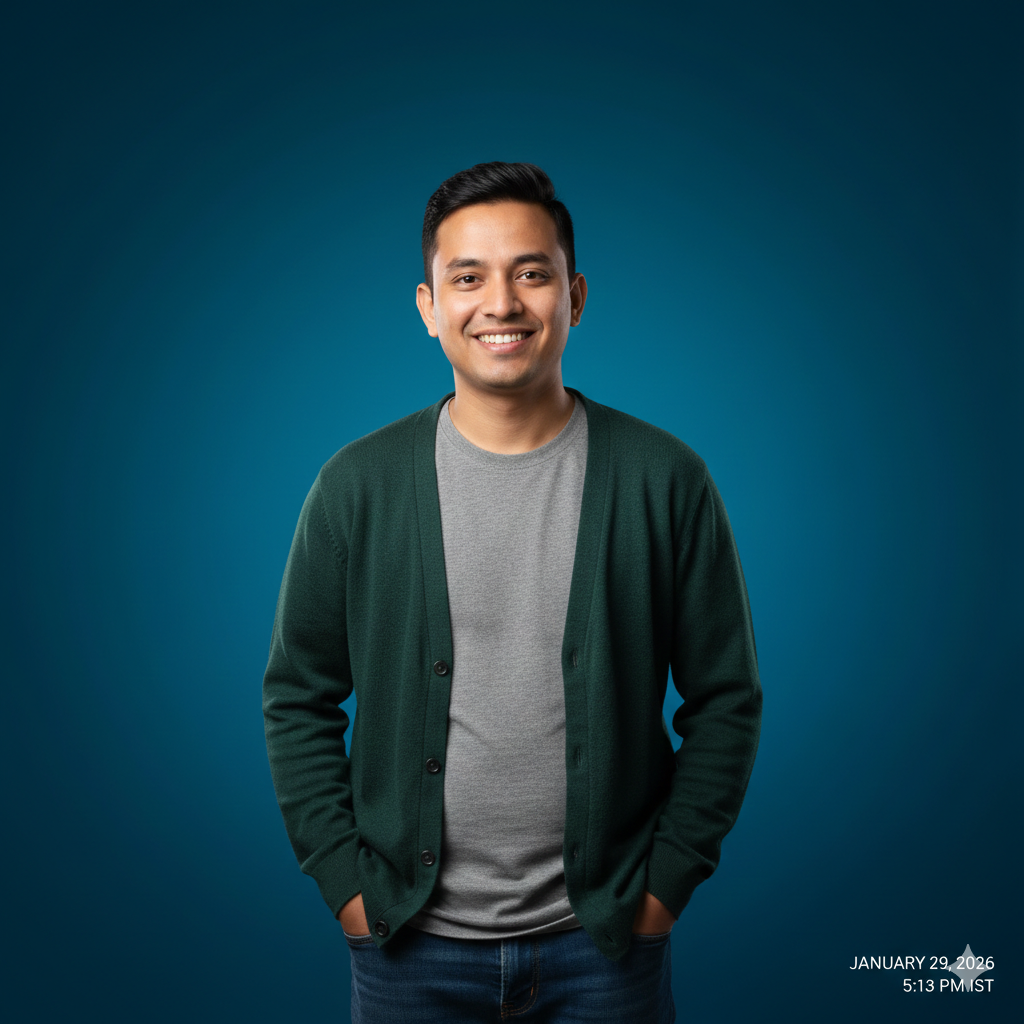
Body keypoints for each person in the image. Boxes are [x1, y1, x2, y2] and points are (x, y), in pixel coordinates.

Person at [263, 161, 762, 1022]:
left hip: (603, 947)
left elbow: (725, 700)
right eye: (468, 277)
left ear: (574, 296)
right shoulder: (357, 486)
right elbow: (297, 697)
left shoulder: (663, 477)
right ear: (427, 306)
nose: (502, 302)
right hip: (407, 950)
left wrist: (662, 890)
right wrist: (346, 885)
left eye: (531, 273)